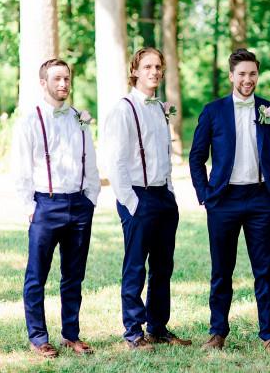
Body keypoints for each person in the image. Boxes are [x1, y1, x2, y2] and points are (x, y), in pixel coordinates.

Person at [189, 48, 270, 352]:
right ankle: (218, 332)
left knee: (265, 270)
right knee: (222, 270)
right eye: (242, 74)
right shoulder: (213, 111)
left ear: (258, 75)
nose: (248, 79)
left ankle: (269, 334)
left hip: (261, 199)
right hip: (224, 200)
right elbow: (196, 157)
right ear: (232, 76)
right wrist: (206, 194)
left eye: (253, 74)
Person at [104, 47, 191, 350]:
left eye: (158, 67)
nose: (154, 72)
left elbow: (163, 155)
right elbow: (115, 161)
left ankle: (158, 326)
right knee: (136, 266)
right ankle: (133, 331)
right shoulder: (124, 109)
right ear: (135, 71)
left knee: (163, 266)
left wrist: (169, 191)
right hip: (138, 197)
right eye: (148, 67)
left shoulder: (158, 108)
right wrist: (131, 202)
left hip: (163, 196)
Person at [11, 58, 100, 358]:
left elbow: (90, 160)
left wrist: (91, 199)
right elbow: (21, 168)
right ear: (43, 83)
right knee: (37, 275)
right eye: (57, 79)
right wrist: (30, 207)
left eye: (66, 78)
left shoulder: (79, 118)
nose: (63, 84)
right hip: (45, 204)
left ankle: (70, 334)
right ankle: (38, 337)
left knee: (74, 275)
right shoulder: (30, 120)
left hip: (78, 204)